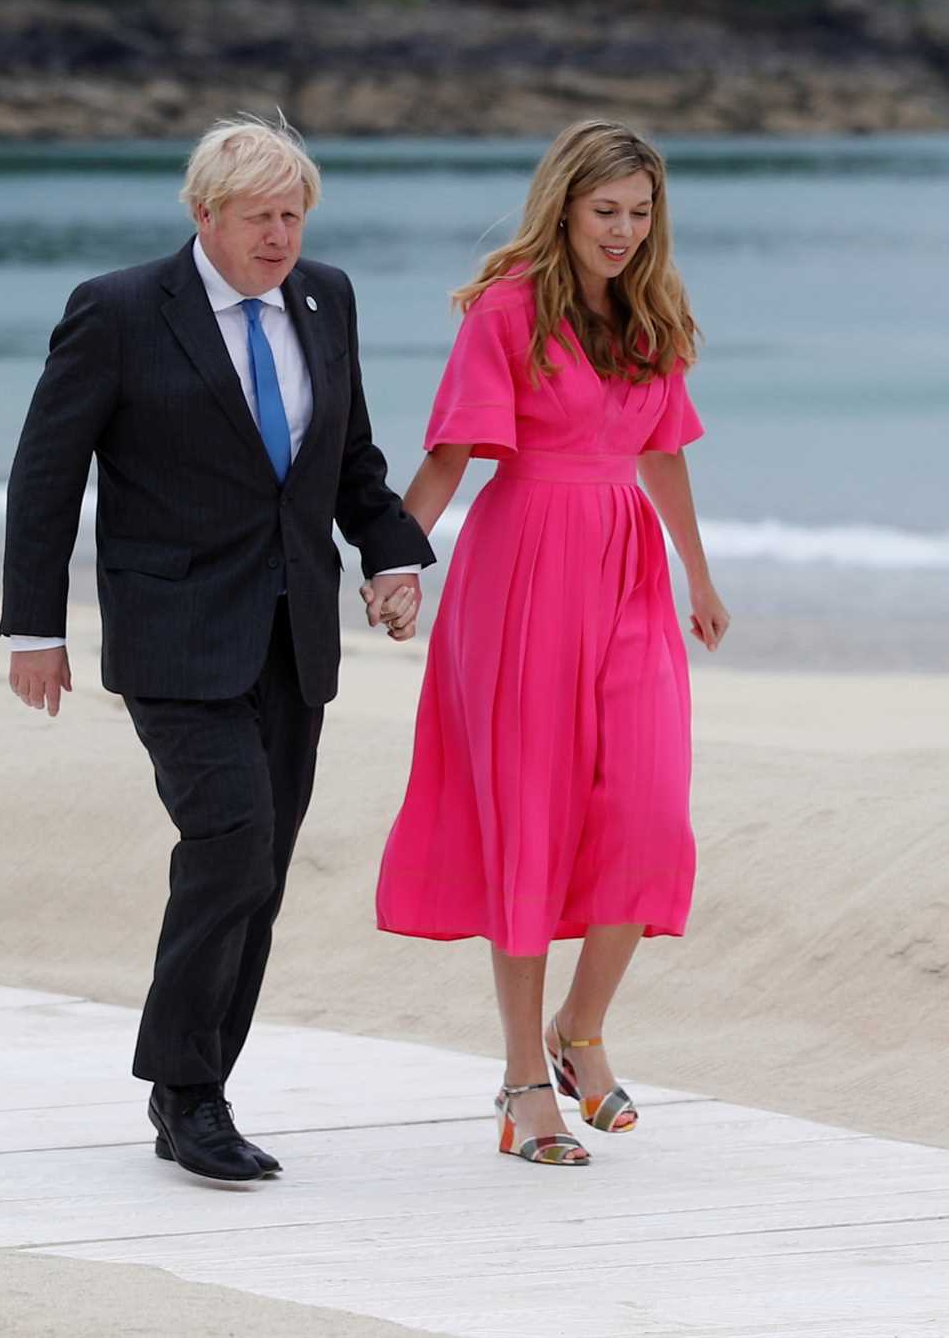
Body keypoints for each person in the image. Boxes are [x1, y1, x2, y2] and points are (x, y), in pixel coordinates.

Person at [0, 114, 433, 1183]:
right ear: (205, 215)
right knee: (230, 843)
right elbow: (46, 473)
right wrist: (34, 627)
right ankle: (184, 1090)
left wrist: (391, 558)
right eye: (259, 217)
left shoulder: (326, 298)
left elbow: (350, 459)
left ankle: (201, 1086)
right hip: (173, 633)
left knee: (261, 873)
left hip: (293, 637)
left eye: (293, 215)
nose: (280, 236)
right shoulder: (117, 311)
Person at [369, 119, 729, 1166]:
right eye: (604, 211)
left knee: (650, 812)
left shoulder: (651, 314)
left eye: (639, 212)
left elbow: (662, 454)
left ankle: (582, 1030)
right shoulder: (507, 311)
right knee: (527, 823)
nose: (622, 231)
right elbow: (448, 456)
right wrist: (396, 560)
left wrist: (696, 573)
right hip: (519, 571)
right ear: (564, 206)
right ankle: (524, 1076)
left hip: (624, 571)